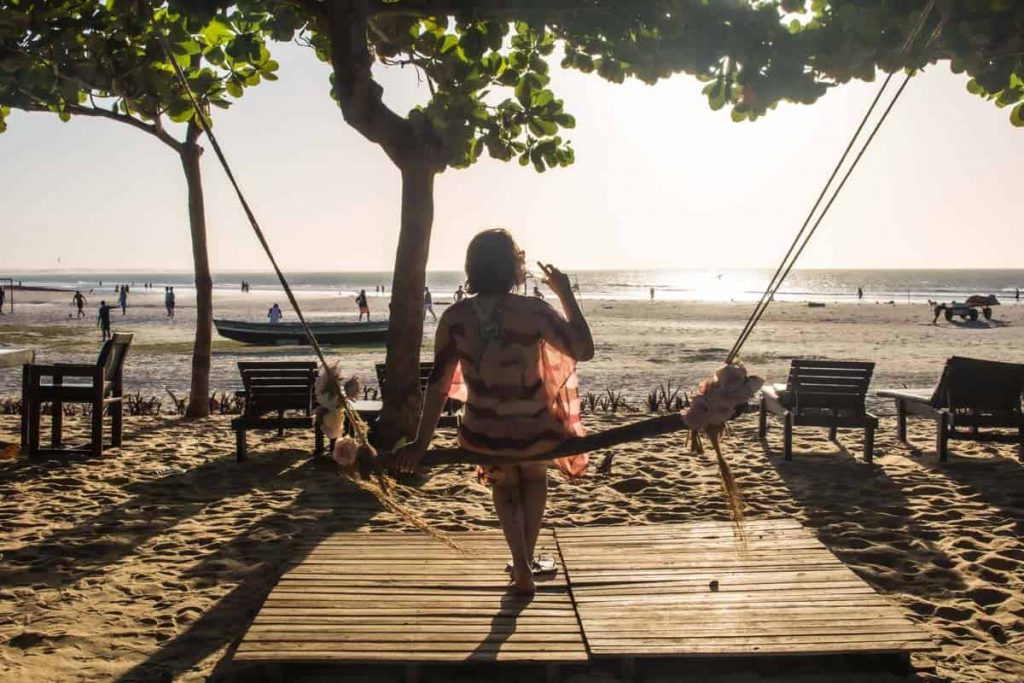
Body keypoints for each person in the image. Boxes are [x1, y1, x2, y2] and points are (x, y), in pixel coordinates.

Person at [395, 229, 593, 594]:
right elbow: (583, 348)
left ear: (473, 267)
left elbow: (438, 385)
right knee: (533, 478)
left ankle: (521, 565)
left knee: (503, 482)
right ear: (512, 267)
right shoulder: (534, 311)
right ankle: (525, 563)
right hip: (535, 428)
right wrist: (565, 294)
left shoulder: (455, 318)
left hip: (484, 430)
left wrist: (422, 443)